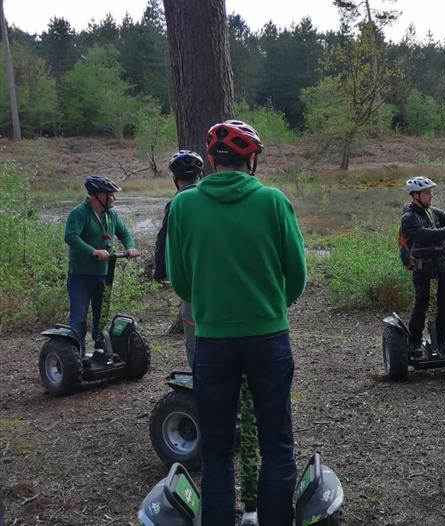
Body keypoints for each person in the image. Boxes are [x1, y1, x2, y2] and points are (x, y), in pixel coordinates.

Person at [166, 119, 306, 525]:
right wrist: (276, 304)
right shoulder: (273, 202)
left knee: (216, 450)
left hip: (212, 341)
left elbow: (180, 280)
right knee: (277, 443)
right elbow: (296, 274)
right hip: (269, 338)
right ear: (252, 160)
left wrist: (211, 305)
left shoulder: (184, 205)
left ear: (211, 160)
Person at [153, 149, 261, 525]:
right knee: (248, 394)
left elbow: (166, 261)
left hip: (200, 313)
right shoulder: (221, 200)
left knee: (205, 374)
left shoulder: (180, 205)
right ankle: (253, 501)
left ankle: (214, 430)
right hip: (252, 322)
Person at [64, 175, 138, 354]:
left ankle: (100, 351)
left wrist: (130, 247)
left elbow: (124, 233)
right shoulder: (79, 213)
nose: (114, 198)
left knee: (102, 315)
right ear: (97, 196)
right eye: (110, 195)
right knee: (78, 317)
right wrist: (93, 251)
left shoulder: (111, 215)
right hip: (80, 276)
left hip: (103, 276)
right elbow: (71, 237)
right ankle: (75, 356)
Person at [400, 176, 445, 353]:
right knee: (421, 304)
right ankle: (415, 341)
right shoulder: (409, 217)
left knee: (444, 303)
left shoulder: (433, 212)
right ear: (415, 195)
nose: (431, 195)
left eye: (431, 192)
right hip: (422, 266)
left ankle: (442, 340)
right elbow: (422, 234)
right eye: (427, 192)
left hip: (442, 264)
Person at [153, 150, 203, 363]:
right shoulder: (209, 199)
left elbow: (164, 238)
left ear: (175, 179)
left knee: (193, 333)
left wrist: (160, 270)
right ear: (199, 176)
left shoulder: (176, 204)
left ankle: (198, 375)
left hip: (191, 282)